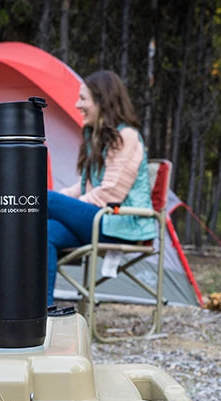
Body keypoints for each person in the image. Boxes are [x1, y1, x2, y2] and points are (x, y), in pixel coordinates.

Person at [46, 70, 153, 307]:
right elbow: (84, 186)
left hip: (120, 224)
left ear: (102, 101)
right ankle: (42, 312)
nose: (77, 104)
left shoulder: (126, 137)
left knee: (38, 200)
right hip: (100, 220)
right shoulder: (97, 137)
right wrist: (64, 201)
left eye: (83, 99)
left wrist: (60, 205)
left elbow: (110, 193)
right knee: (46, 231)